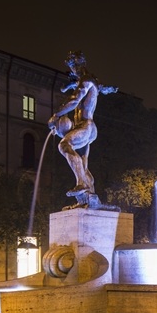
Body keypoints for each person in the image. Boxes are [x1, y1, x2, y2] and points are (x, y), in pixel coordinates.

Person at [48, 51, 117, 205]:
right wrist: (69, 86)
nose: (73, 70)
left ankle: (82, 184)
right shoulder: (86, 81)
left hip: (86, 126)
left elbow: (74, 101)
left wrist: (56, 114)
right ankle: (89, 198)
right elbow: (98, 87)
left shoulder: (86, 80)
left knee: (64, 145)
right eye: (72, 67)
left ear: (79, 64)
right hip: (84, 127)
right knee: (83, 164)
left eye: (73, 66)